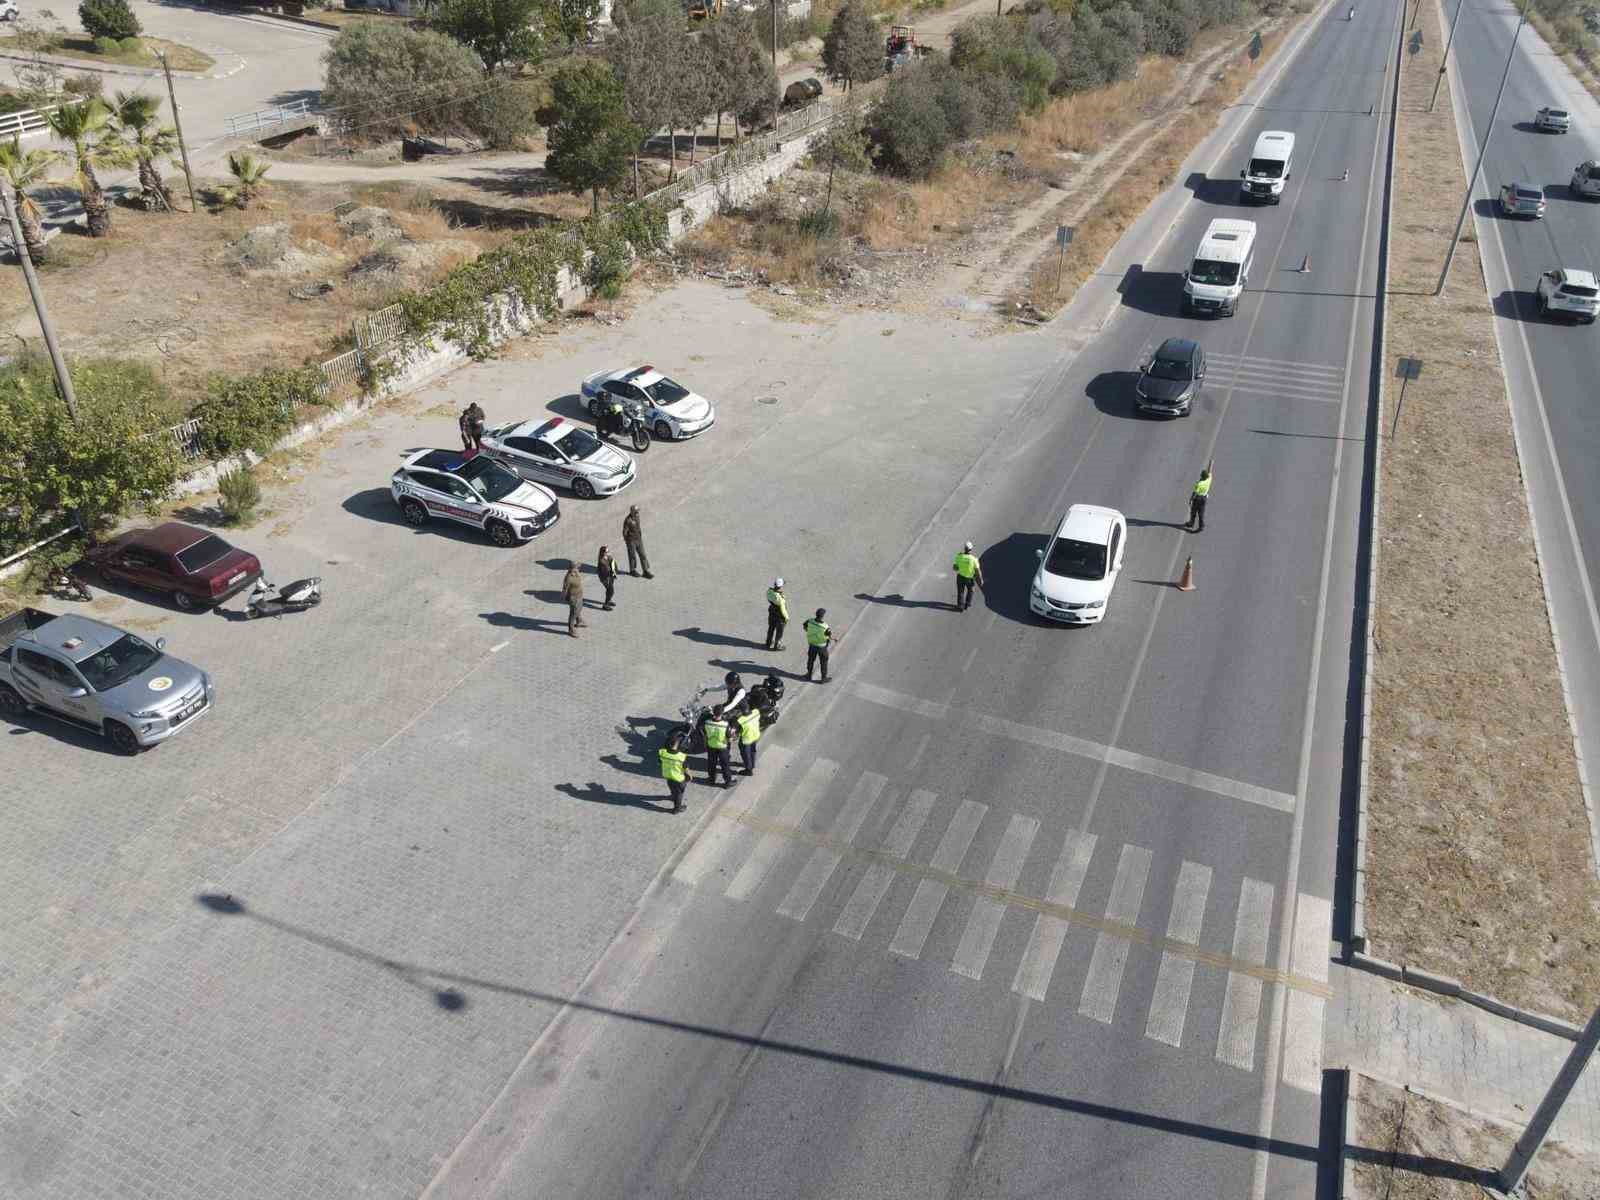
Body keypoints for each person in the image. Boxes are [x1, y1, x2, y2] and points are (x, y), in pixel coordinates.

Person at [703, 705, 736, 788]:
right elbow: (730, 739)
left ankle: (711, 780)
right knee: (725, 765)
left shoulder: (707, 722)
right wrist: (733, 733)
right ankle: (728, 782)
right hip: (722, 748)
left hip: (711, 746)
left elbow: (705, 734)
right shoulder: (725, 725)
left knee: (711, 764)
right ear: (722, 713)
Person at [659, 732, 689, 813]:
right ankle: (677, 809)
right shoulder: (681, 756)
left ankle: (673, 796)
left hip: (668, 776)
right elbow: (685, 768)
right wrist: (690, 776)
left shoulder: (662, 752)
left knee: (672, 788)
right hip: (678, 778)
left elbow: (660, 761)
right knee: (679, 794)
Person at [803, 608, 833, 683]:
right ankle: (823, 678)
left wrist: (810, 632)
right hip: (822, 647)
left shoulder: (810, 621)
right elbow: (829, 635)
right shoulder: (825, 626)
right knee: (823, 662)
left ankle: (808, 675)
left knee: (810, 660)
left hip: (812, 644)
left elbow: (805, 626)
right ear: (822, 616)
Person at [622, 504, 653, 579]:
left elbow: (638, 527)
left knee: (643, 555)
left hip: (638, 539)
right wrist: (628, 542)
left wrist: (640, 536)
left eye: (638, 511)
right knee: (632, 556)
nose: (637, 513)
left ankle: (645, 571)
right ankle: (632, 570)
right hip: (631, 541)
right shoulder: (628, 520)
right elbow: (624, 532)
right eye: (636, 511)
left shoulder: (637, 517)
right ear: (632, 512)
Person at [952, 542, 983, 611]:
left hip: (960, 577)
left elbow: (955, 568)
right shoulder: (974, 559)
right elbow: (978, 571)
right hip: (969, 578)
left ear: (964, 548)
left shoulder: (959, 556)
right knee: (971, 591)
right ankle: (967, 603)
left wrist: (961, 566)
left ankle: (960, 606)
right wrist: (980, 580)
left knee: (960, 591)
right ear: (971, 549)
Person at [735, 705, 762, 775]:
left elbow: (737, 731)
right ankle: (752, 764)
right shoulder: (756, 712)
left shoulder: (740, 720)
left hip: (746, 740)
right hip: (755, 736)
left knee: (745, 754)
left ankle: (748, 770)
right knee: (752, 751)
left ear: (741, 711)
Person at [562, 561, 585, 636]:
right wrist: (564, 597)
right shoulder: (568, 578)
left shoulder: (576, 573)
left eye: (578, 567)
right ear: (572, 568)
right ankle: (571, 629)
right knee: (573, 612)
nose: (578, 568)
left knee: (579, 608)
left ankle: (579, 620)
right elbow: (565, 589)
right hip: (573, 597)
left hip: (579, 594)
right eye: (577, 567)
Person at [765, 577, 789, 650]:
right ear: (780, 586)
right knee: (779, 631)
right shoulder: (780, 598)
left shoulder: (769, 592)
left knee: (771, 628)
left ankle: (768, 642)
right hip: (779, 616)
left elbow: (769, 598)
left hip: (772, 612)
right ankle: (777, 645)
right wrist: (786, 617)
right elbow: (783, 609)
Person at [1188, 467, 1213, 533]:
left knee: (1193, 511)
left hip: (1197, 499)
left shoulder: (1199, 484)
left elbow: (1195, 493)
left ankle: (1191, 523)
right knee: (1201, 513)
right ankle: (1201, 526)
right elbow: (1210, 471)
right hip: (1204, 499)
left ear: (1202, 476)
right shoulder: (1209, 479)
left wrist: (1191, 500)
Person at [597, 545, 618, 611]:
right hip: (606, 578)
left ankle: (609, 600)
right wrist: (611, 572)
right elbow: (605, 572)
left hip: (611, 576)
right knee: (610, 590)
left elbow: (614, 564)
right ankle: (606, 604)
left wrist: (615, 572)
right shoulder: (601, 561)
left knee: (609, 590)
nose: (608, 552)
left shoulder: (608, 557)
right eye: (607, 551)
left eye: (608, 551)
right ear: (603, 552)